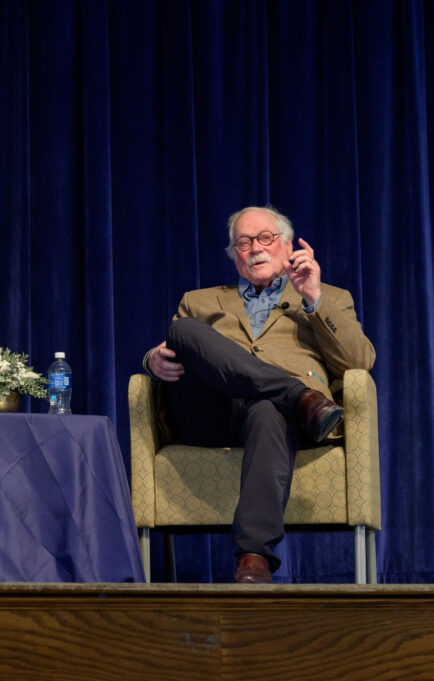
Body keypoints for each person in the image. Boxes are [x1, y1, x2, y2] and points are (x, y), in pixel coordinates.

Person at [143, 205, 375, 583]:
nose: (255, 248)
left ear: (288, 247)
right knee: (183, 330)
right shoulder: (199, 301)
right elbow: (177, 349)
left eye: (265, 238)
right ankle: (299, 396)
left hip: (277, 420)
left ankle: (254, 558)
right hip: (213, 413)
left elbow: (359, 361)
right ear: (234, 256)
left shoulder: (328, 297)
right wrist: (151, 359)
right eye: (244, 242)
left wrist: (313, 298)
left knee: (268, 408)